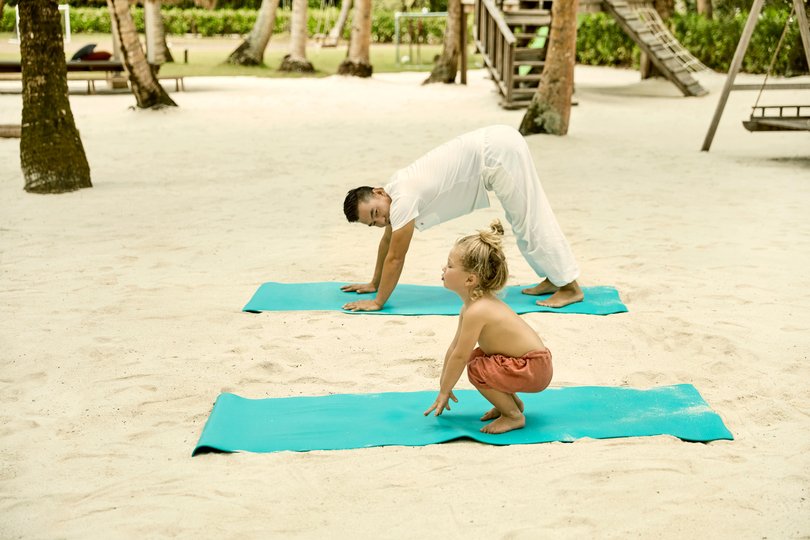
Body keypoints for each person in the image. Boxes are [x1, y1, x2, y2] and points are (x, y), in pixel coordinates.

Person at [341, 124, 583, 312]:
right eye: (374, 223)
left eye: (376, 213)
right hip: (496, 148)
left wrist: (378, 301)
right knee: (523, 220)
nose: (381, 220)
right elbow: (388, 242)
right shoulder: (394, 192)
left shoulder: (402, 198)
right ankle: (555, 277)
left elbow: (395, 257)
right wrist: (374, 283)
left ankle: (569, 287)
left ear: (379, 192)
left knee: (529, 219)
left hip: (497, 152)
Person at [423, 221, 553, 434]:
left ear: (470, 279)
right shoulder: (471, 307)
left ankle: (513, 416)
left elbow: (459, 357)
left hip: (534, 368)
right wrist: (443, 387)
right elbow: (455, 348)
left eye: (450, 265)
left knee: (477, 368)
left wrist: (446, 390)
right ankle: (512, 404)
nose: (444, 268)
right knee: (477, 357)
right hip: (531, 364)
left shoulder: (478, 310)